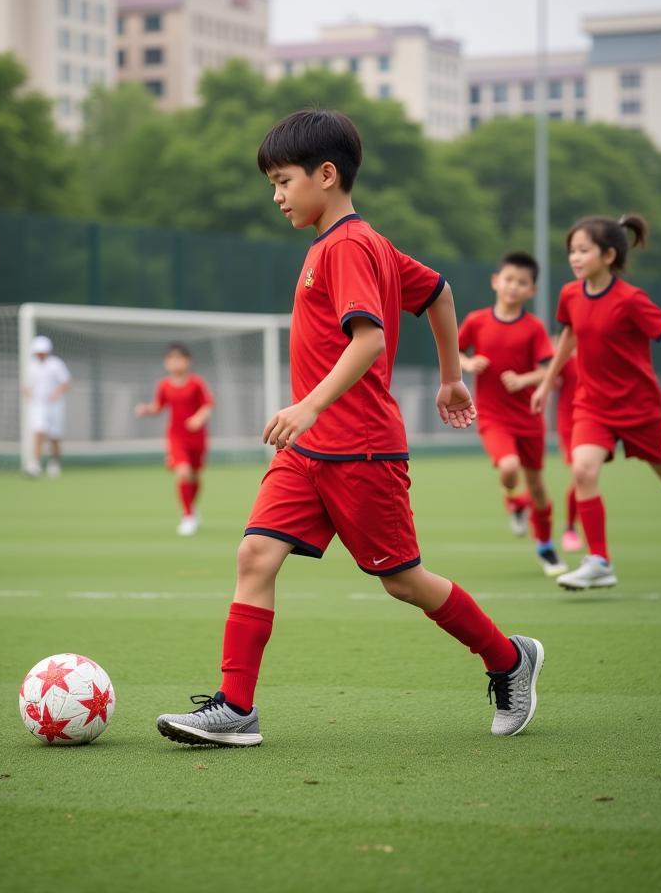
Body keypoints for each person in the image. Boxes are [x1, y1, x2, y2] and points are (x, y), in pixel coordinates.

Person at [155, 109, 543, 747]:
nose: (276, 196)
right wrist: (450, 376)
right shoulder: (359, 245)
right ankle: (235, 708)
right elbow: (441, 292)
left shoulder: (351, 245)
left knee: (402, 580)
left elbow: (369, 339)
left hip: (362, 451)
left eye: (283, 181)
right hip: (308, 453)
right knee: (255, 554)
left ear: (326, 175)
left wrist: (309, 405)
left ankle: (508, 658)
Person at [530, 215, 661, 590]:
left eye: (582, 250)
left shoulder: (630, 300)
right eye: (571, 251)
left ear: (608, 255)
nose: (574, 258)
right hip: (592, 405)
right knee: (583, 470)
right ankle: (600, 561)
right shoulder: (570, 295)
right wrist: (547, 383)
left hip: (640, 409)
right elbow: (569, 339)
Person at [458, 252, 564, 576]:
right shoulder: (477, 321)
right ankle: (512, 500)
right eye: (509, 280)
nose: (514, 287)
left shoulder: (534, 328)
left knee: (537, 487)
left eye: (522, 283)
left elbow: (551, 373)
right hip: (493, 417)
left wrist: (523, 379)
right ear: (495, 282)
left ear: (532, 290)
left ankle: (545, 547)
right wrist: (467, 364)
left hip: (529, 417)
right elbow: (455, 350)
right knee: (508, 467)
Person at [135, 344, 214, 536]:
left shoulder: (196, 383)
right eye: (171, 359)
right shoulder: (164, 385)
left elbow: (208, 404)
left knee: (194, 476)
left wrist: (198, 418)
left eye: (179, 359)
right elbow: (159, 406)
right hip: (176, 436)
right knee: (183, 472)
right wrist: (146, 410)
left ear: (188, 361)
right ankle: (187, 516)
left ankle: (191, 507)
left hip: (197, 437)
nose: (175, 363)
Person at [23, 335, 71, 478]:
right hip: (38, 406)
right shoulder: (31, 366)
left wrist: (56, 393)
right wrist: (29, 393)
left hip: (55, 406)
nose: (40, 354)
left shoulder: (56, 364)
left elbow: (66, 383)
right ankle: (35, 464)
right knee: (38, 433)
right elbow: (26, 386)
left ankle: (54, 463)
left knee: (54, 436)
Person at [554, 348, 583, 552]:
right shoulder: (564, 358)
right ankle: (570, 528)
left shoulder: (598, 352)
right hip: (570, 424)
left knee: (586, 478)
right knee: (579, 474)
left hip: (595, 421)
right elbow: (548, 377)